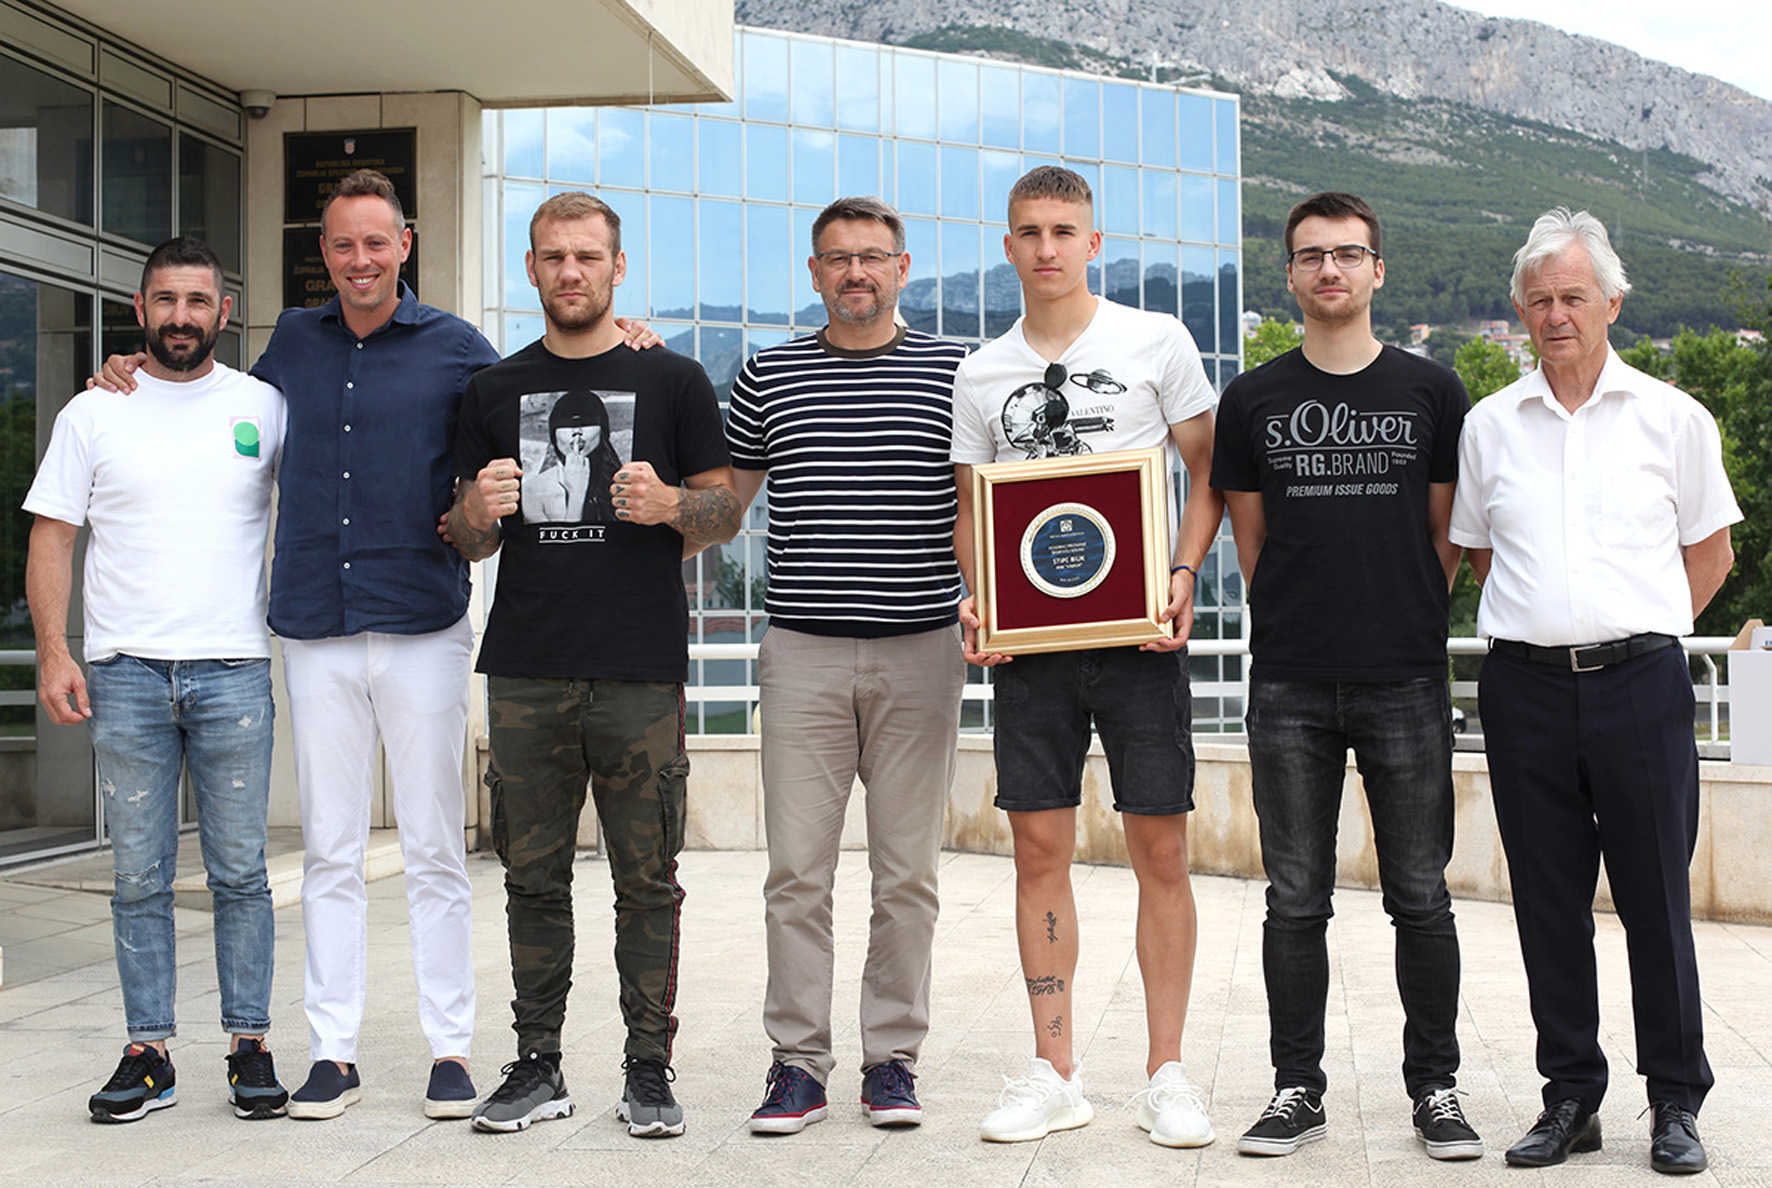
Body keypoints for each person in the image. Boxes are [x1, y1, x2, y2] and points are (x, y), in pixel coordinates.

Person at [1450, 208, 1739, 1175]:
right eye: (1539, 300)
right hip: (1523, 691)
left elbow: (1711, 554)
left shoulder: (1673, 417)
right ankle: (1571, 1096)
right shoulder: (1489, 426)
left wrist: (1637, 629)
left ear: (1612, 302)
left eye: (1574, 296)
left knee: (1657, 901)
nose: (1556, 315)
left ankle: (1675, 1100)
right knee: (1547, 904)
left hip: (1641, 688)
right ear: (1520, 311)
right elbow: (1482, 554)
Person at [447, 191, 740, 1139]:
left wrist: (672, 506)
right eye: (552, 256)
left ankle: (648, 1067)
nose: (569, 271)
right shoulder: (492, 391)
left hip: (638, 669)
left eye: (586, 256)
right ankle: (537, 1065)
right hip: (526, 668)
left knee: (647, 880)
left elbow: (725, 512)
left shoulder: (675, 381)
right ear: (531, 268)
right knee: (531, 879)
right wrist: (475, 514)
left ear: (617, 267)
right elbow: (466, 538)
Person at [950, 166, 1222, 1148]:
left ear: (1092, 243)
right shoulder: (981, 372)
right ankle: (1055, 1070)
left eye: (1064, 230)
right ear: (1008, 247)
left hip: (1139, 638)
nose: (1047, 247)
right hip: (1031, 651)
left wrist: (1182, 573)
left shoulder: (1156, 341)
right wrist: (980, 597)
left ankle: (1167, 1074)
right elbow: (971, 511)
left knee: (1161, 851)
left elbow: (1209, 472)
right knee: (1037, 852)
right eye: (1029, 232)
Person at [1210, 192, 1480, 1160]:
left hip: (1404, 676)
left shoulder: (1433, 390)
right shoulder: (1251, 399)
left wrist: (1396, 611)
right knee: (1294, 898)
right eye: (1312, 255)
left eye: (1348, 254)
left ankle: (1436, 1088)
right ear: (1289, 274)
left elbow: (1446, 536)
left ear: (1377, 270)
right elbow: (1251, 542)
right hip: (1289, 680)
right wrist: (1308, 614)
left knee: (1421, 895)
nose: (1330, 269)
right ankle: (1297, 1088)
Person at [25, 237, 289, 1123]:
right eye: (166, 301)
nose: (181, 317)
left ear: (224, 312)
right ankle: (150, 1053)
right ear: (139, 309)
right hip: (126, 673)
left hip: (233, 668)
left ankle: (249, 1045)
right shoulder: (92, 413)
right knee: (137, 876)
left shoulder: (263, 406)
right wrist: (55, 652)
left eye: (197, 301)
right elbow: (53, 536)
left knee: (240, 874)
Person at [725, 197, 969, 1135]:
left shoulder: (955, 370)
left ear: (903, 268)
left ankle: (892, 1061)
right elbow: (724, 506)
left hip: (921, 652)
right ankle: (797, 1065)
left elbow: (984, 503)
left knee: (908, 876)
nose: (855, 272)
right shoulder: (768, 374)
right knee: (796, 875)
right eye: (838, 258)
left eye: (872, 257)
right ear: (815, 271)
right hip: (804, 656)